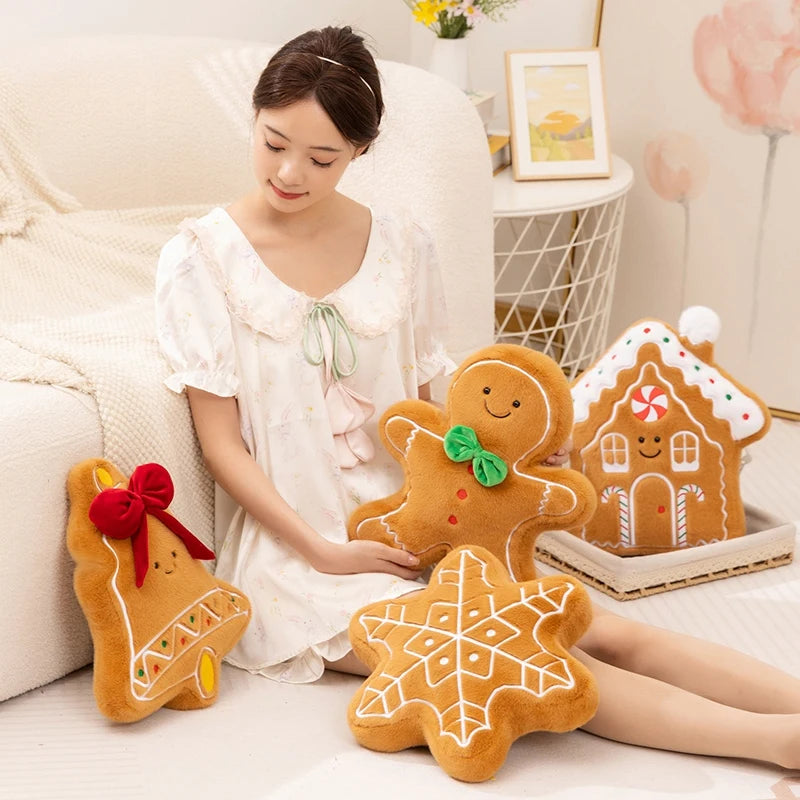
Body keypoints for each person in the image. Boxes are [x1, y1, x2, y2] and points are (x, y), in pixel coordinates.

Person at [155, 25, 800, 769]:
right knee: (530, 656)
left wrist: (514, 460)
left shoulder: (400, 246)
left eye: (321, 158)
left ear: (360, 152)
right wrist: (326, 553)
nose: (291, 171)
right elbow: (221, 445)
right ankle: (780, 747)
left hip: (436, 529)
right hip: (302, 564)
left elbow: (443, 419)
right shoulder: (202, 258)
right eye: (273, 144)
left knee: (609, 629)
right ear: (256, 120)